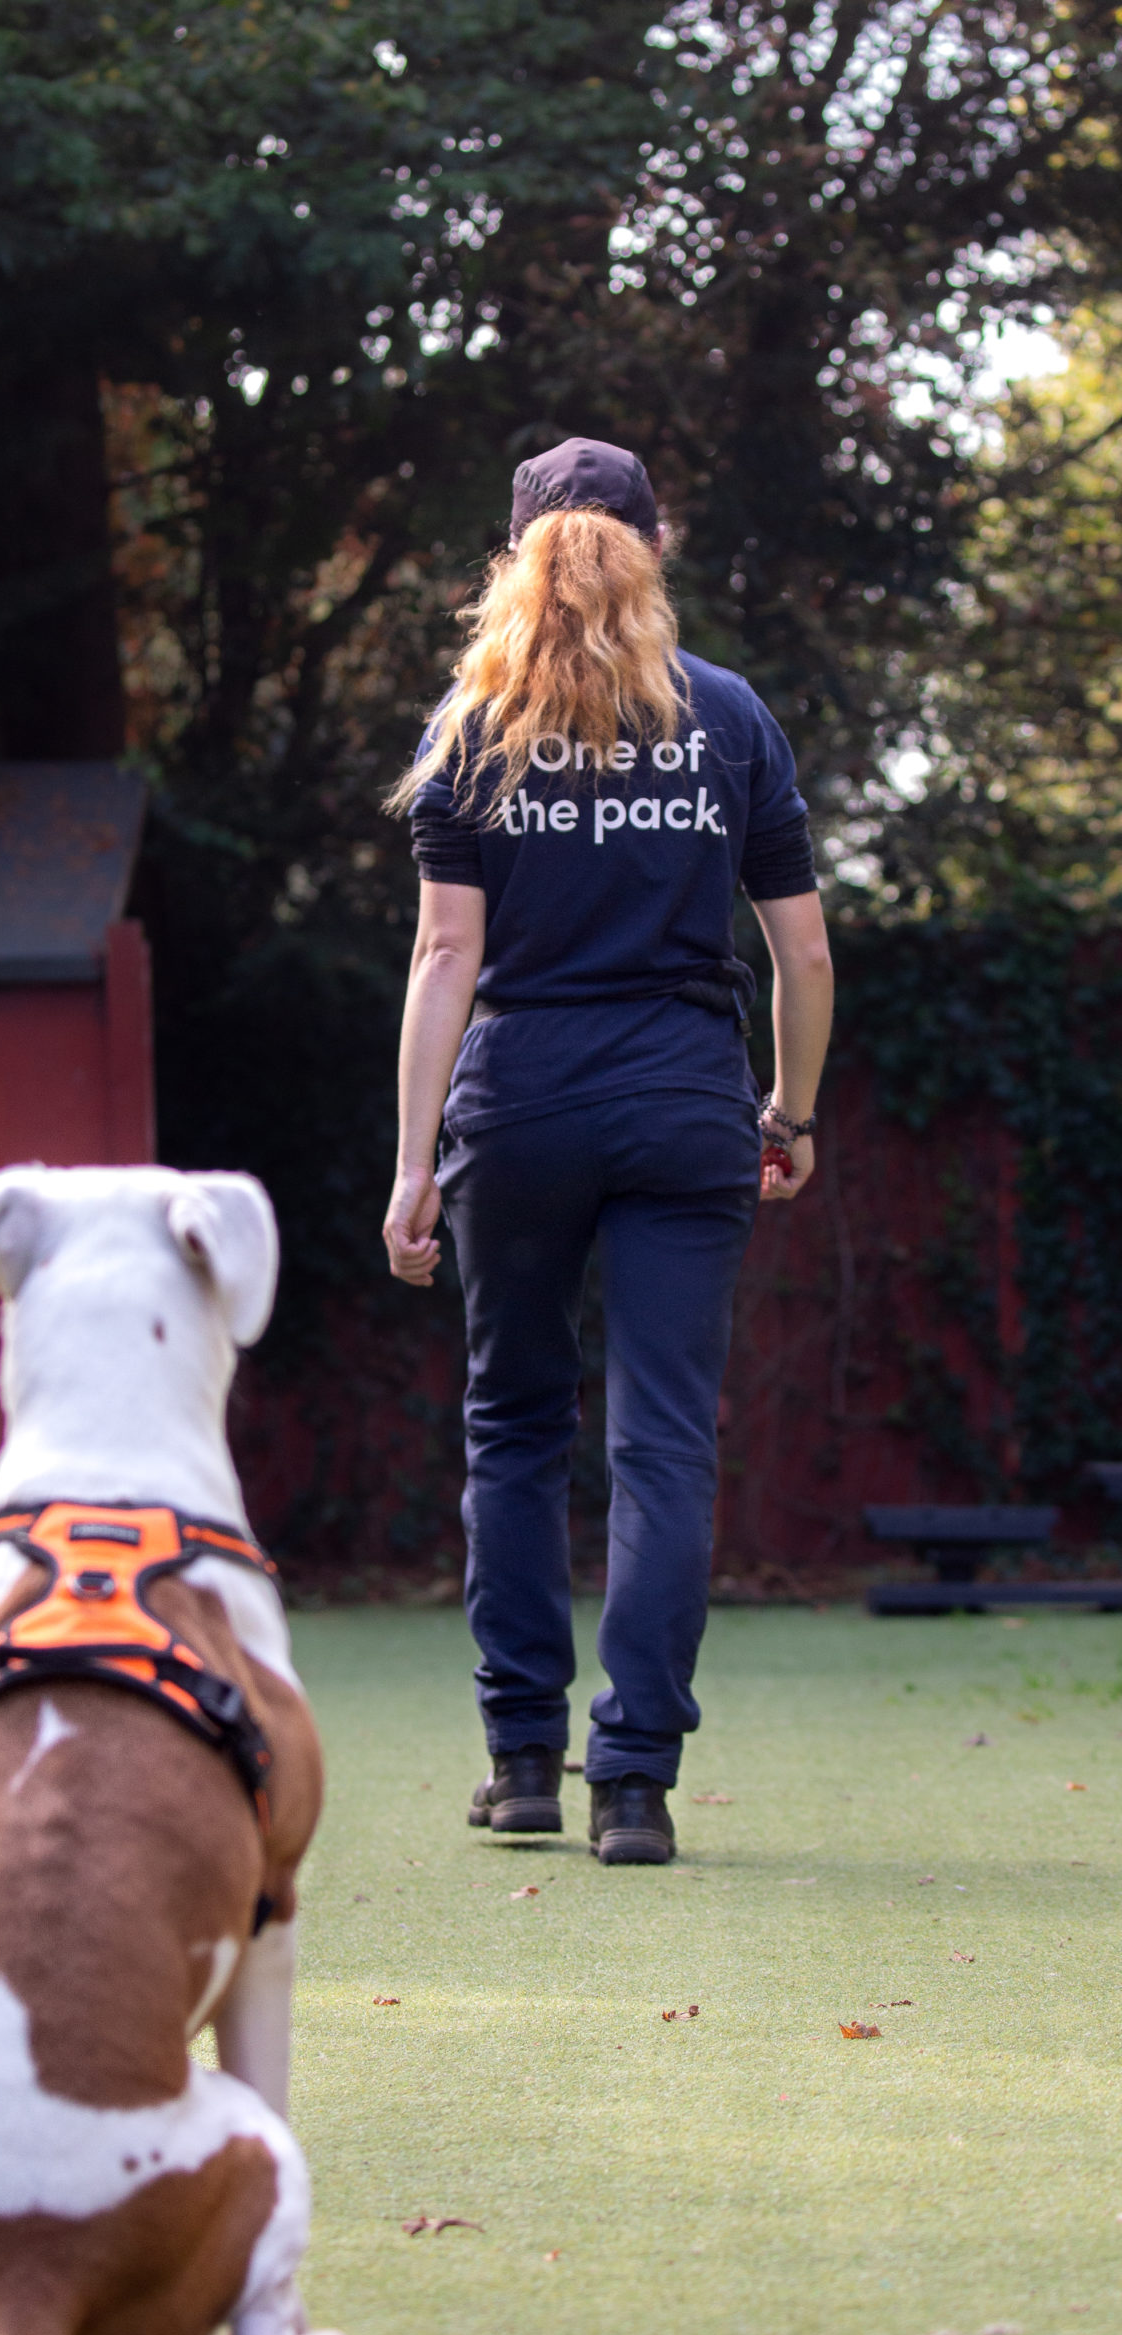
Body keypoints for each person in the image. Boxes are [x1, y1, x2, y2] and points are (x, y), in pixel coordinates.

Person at [381, 436, 833, 1866]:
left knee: (513, 1427)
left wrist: (409, 1164)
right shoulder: (732, 717)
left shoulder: (474, 720)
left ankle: (522, 1760)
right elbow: (803, 949)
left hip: (515, 1107)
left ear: (518, 552)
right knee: (661, 1444)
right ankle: (631, 1783)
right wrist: (794, 1109)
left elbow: (447, 957)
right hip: (687, 1101)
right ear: (655, 543)